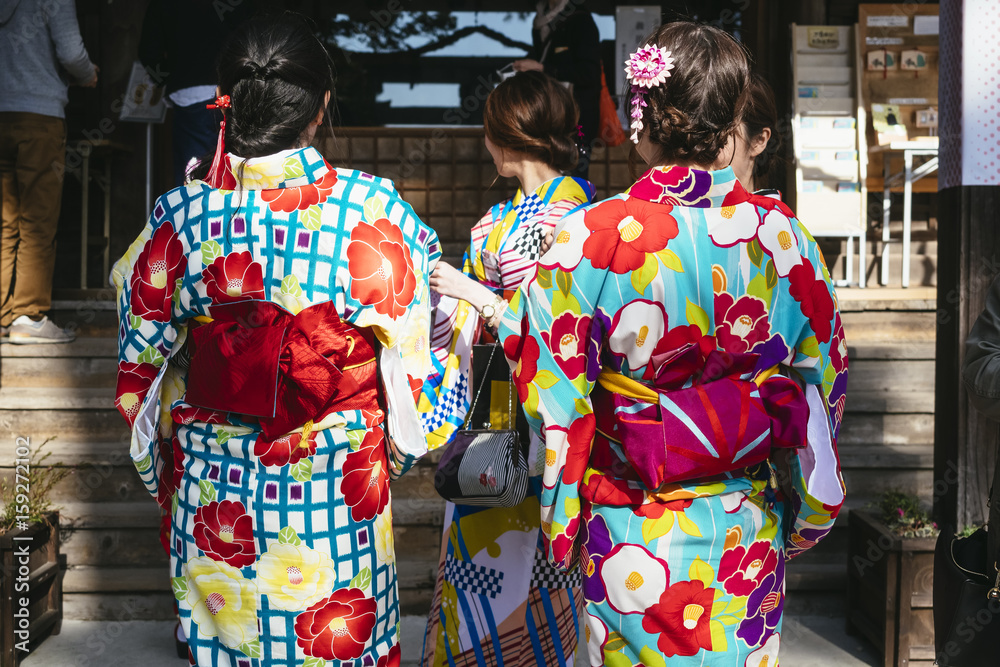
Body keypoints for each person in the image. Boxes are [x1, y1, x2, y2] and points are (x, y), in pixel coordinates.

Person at [499, 23, 847, 666]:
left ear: (642, 119)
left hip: (628, 528)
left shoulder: (585, 239)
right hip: (746, 525)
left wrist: (563, 528)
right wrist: (808, 512)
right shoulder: (783, 237)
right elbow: (820, 380)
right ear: (731, 121)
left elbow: (552, 399)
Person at [112, 15, 437, 666]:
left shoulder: (179, 213)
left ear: (224, 104)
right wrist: (391, 456)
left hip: (216, 495)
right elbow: (413, 362)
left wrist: (161, 474)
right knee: (336, 643)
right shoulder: (373, 207)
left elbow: (139, 370)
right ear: (320, 107)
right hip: (335, 486)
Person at [420, 71, 595, 667]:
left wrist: (475, 293)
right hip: (493, 413)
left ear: (507, 138)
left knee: (538, 563)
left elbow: (564, 328)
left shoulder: (579, 217)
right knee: (482, 551)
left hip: (547, 417)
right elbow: (467, 326)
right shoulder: (498, 220)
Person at [0, 0, 97, 343]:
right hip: (39, 115)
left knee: (5, 221)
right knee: (37, 222)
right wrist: (89, 74)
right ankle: (27, 315)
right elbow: (71, 52)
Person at [138, 0, 255, 187]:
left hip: (191, 93)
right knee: (240, 175)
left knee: (195, 183)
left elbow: (149, 52)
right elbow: (252, 37)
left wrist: (173, 75)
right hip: (235, 92)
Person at [514, 0, 601, 180]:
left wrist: (543, 68)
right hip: (549, 115)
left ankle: (582, 209)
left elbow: (589, 73)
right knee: (549, 176)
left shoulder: (580, 19)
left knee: (575, 173)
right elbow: (544, 56)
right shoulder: (541, 19)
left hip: (577, 116)